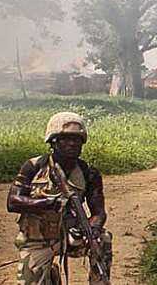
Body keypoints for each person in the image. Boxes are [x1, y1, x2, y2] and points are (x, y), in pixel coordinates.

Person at [7, 112, 112, 284]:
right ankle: (51, 276)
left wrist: (92, 228)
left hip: (71, 236)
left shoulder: (89, 173)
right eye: (66, 139)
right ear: (53, 141)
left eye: (77, 139)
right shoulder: (34, 167)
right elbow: (12, 202)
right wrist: (46, 203)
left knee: (102, 239)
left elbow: (99, 212)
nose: (72, 143)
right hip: (37, 240)